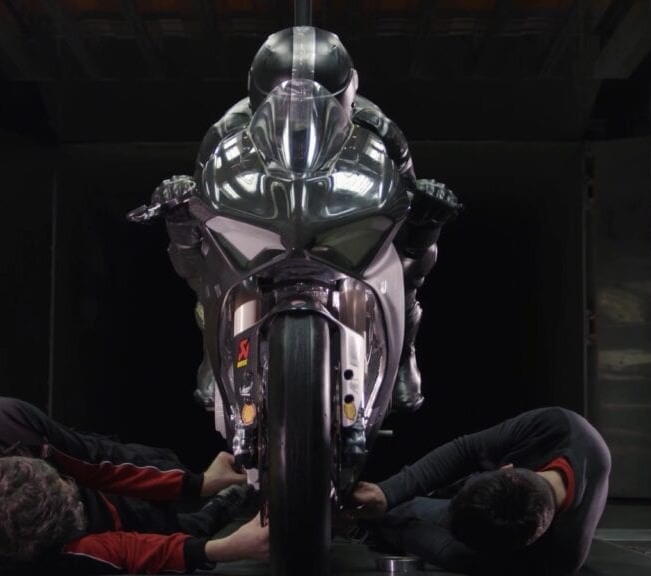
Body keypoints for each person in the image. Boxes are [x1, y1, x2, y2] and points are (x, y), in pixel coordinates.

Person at [152, 26, 462, 414]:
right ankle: (212, 350)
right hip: (267, 214)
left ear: (345, 93)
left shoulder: (379, 127)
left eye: (317, 98)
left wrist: (425, 210)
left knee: (412, 249)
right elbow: (203, 193)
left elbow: (407, 192)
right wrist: (180, 203)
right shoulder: (225, 131)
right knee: (200, 247)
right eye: (284, 98)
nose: (299, 109)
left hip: (336, 218)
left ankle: (403, 356)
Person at [0, 397, 268, 574]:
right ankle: (226, 504)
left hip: (88, 483)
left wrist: (197, 483)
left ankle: (216, 495)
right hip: (72, 540)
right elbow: (118, 552)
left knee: (157, 475)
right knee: (180, 534)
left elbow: (98, 462)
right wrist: (223, 551)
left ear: (27, 460)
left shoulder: (4, 422)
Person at [348, 407, 611, 575]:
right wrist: (388, 493)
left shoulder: (556, 560)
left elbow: (451, 553)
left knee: (441, 546)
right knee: (402, 507)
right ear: (506, 469)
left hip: (505, 554)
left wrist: (375, 522)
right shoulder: (558, 427)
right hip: (497, 528)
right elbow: (467, 450)